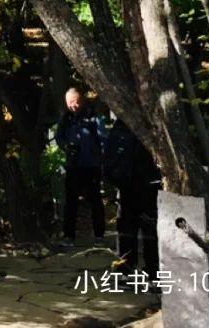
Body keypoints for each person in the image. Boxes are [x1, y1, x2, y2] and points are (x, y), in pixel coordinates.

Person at [103, 117, 161, 276]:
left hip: (141, 183)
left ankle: (143, 269)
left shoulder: (127, 124)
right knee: (138, 228)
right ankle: (140, 269)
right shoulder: (128, 124)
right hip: (135, 183)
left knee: (141, 228)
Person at [55, 86, 106, 245]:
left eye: (75, 102)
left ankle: (99, 236)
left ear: (82, 101)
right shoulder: (66, 119)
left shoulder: (93, 117)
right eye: (69, 103)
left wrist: (102, 159)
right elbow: (59, 138)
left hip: (91, 166)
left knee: (95, 201)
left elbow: (103, 139)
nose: (73, 106)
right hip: (73, 165)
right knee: (71, 203)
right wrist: (66, 146)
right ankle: (69, 236)